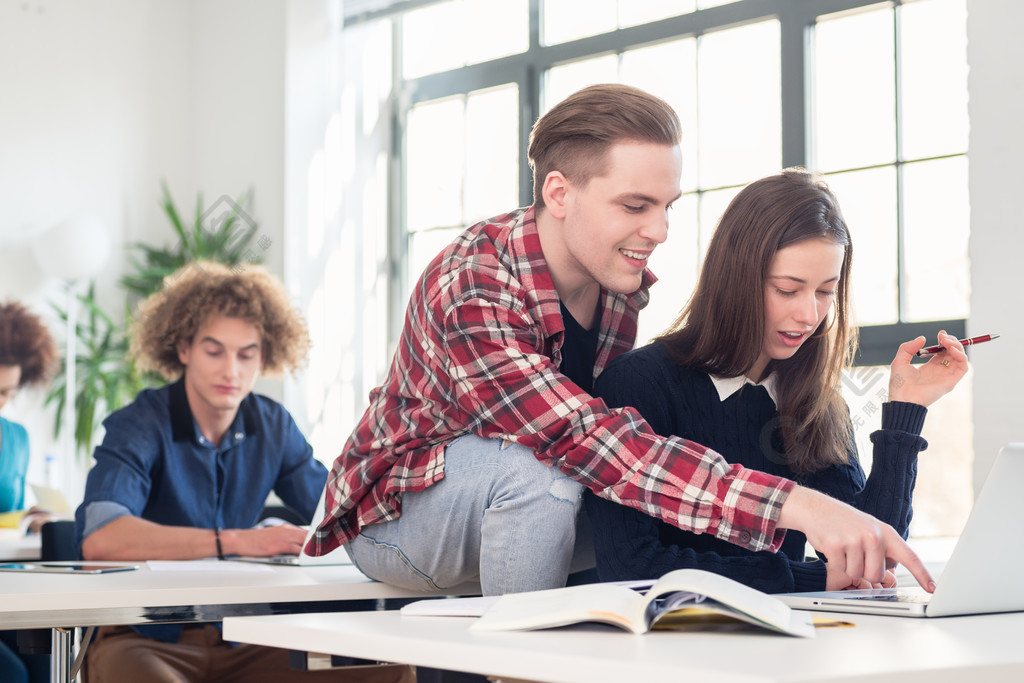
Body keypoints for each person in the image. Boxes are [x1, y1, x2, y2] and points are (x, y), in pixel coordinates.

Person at [306, 83, 935, 596]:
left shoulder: (615, 283)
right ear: (559, 192)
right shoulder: (475, 287)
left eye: (667, 205)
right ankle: (525, 665)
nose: (658, 230)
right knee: (541, 474)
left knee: (636, 523)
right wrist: (794, 506)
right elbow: (581, 439)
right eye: (635, 206)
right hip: (402, 518)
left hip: (535, 502)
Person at [585, 168, 968, 592]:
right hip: (679, 643)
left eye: (825, 291)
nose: (809, 315)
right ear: (736, 281)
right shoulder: (639, 384)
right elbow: (631, 565)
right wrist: (808, 578)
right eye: (788, 290)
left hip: (792, 641)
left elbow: (872, 553)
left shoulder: (814, 399)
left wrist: (906, 409)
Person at [74, 262, 412, 683]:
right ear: (183, 350)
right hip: (144, 637)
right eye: (214, 351)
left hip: (242, 637)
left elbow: (335, 510)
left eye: (246, 354)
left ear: (264, 356)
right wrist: (239, 541)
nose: (231, 370)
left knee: (396, 675)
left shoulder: (272, 424)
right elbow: (102, 539)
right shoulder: (140, 424)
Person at [0, 301, 58, 683]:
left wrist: (30, 517)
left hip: (10, 585)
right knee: (15, 672)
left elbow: (12, 508)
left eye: (5, 392)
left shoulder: (17, 438)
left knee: (47, 661)